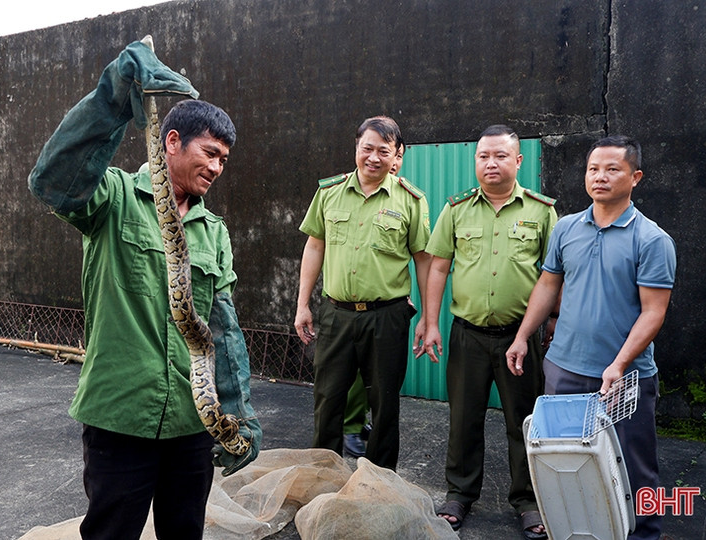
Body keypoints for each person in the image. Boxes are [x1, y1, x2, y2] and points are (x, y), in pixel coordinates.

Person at [28, 40, 261, 540]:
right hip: (120, 416)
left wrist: (239, 413)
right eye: (210, 153)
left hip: (191, 422)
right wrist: (113, 98)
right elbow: (52, 181)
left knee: (184, 531)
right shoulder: (111, 198)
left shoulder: (213, 232)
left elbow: (223, 327)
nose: (218, 168)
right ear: (171, 141)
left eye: (225, 160)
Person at [506, 135, 676, 540]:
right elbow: (548, 286)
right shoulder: (566, 228)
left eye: (612, 169)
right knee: (565, 462)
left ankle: (645, 533)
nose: (600, 177)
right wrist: (522, 336)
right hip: (563, 369)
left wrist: (618, 363)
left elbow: (654, 312)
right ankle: (576, 529)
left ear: (635, 177)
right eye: (593, 169)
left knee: (635, 465)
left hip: (624, 378)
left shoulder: (652, 240)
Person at [423, 125, 556, 538]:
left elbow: (555, 274)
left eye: (500, 156)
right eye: (483, 156)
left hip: (521, 335)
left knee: (524, 420)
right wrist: (430, 323)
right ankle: (460, 493)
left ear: (518, 161)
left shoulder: (541, 211)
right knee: (464, 419)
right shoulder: (457, 209)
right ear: (475, 161)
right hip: (469, 334)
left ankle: (529, 500)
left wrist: (551, 322)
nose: (490, 163)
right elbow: (438, 267)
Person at [294, 118, 430, 470]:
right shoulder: (328, 193)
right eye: (366, 148)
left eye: (383, 151)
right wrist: (302, 304)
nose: (373, 157)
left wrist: (429, 319)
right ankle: (320, 475)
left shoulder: (411, 200)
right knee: (327, 399)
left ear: (396, 154)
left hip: (387, 316)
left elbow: (424, 261)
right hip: (336, 313)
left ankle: (381, 482)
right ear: (356, 148)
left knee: (384, 404)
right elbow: (314, 247)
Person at [342, 140, 406, 458]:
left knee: (381, 382)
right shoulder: (336, 192)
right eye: (374, 151)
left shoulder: (407, 199)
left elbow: (416, 257)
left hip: (386, 309)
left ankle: (365, 428)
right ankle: (350, 427)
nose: (388, 162)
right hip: (347, 310)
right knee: (351, 376)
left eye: (394, 156)